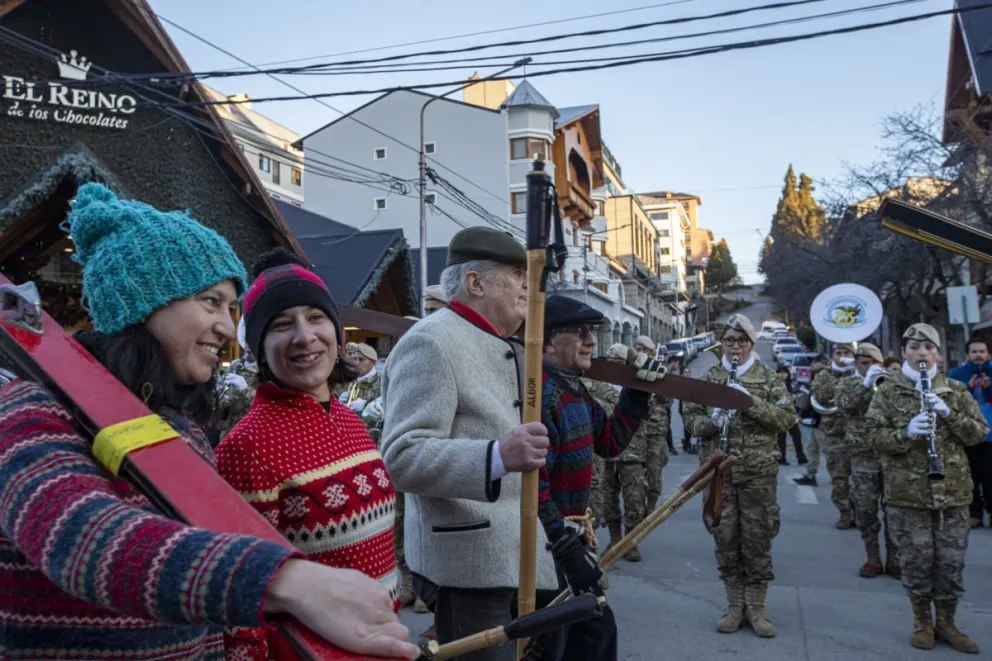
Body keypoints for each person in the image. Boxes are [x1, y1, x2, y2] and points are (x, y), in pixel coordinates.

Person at [0, 183, 419, 661]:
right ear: (143, 302)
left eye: (230, 306)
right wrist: (287, 579)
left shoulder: (180, 428)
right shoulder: (34, 410)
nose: (226, 325)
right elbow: (79, 536)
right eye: (209, 301)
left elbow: (207, 601)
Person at [379, 227, 554, 661]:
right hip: (470, 567)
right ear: (475, 283)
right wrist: (496, 455)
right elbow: (401, 457)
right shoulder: (431, 340)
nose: (527, 289)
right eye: (517, 276)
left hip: (523, 557)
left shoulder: (507, 344)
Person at [216, 260, 403, 659]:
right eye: (282, 324)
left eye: (316, 317)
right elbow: (239, 592)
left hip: (384, 641)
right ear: (258, 348)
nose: (305, 336)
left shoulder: (350, 419)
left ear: (336, 333)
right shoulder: (246, 447)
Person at [539, 296, 660, 661]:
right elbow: (533, 485)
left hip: (568, 542)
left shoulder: (573, 387)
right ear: (546, 342)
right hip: (546, 550)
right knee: (566, 641)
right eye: (580, 332)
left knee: (591, 634)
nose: (591, 340)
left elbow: (610, 442)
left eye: (592, 331)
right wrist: (562, 545)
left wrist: (637, 394)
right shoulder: (541, 395)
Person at [864, 324, 988, 654]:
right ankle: (922, 621)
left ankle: (946, 622)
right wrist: (906, 432)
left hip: (954, 492)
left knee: (950, 563)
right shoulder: (887, 390)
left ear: (938, 353)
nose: (923, 353)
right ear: (904, 351)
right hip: (908, 494)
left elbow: (978, 434)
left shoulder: (956, 389)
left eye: (929, 347)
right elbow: (873, 438)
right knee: (917, 562)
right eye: (916, 347)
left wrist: (948, 414)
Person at [684, 314, 796, 639]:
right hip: (718, 474)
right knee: (725, 539)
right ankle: (734, 606)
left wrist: (751, 402)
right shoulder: (709, 378)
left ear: (751, 344)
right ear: (722, 343)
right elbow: (692, 422)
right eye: (729, 340)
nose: (735, 346)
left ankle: (757, 608)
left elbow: (786, 419)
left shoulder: (769, 378)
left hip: (757, 475)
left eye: (742, 341)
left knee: (758, 540)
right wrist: (714, 421)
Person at [835, 343, 899, 579]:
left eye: (874, 364)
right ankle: (872, 556)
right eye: (864, 363)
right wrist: (864, 385)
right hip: (862, 455)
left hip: (890, 453)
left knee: (893, 509)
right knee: (865, 508)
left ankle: (894, 557)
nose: (870, 367)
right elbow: (845, 406)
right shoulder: (847, 383)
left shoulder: (891, 382)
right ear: (856, 364)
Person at [582, 343, 628, 540]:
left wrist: (590, 403)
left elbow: (616, 407)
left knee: (592, 515)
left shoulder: (596, 383)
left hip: (593, 455)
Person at [809, 343, 857, 528]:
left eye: (846, 353)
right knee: (839, 478)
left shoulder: (860, 373)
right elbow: (821, 395)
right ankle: (845, 513)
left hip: (860, 435)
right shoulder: (824, 374)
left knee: (860, 479)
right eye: (838, 353)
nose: (842, 356)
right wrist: (841, 377)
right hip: (835, 434)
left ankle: (860, 513)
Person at [948, 338, 992, 529]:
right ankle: (974, 513)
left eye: (982, 351)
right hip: (967, 432)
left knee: (990, 475)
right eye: (974, 352)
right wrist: (968, 387)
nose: (978, 355)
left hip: (990, 434)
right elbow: (950, 400)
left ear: (988, 354)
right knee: (971, 475)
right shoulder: (957, 374)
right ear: (967, 354)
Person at [214, 317, 259, 443]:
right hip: (227, 433)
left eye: (251, 345)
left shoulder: (266, 371)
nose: (247, 349)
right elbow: (221, 411)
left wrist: (245, 390)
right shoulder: (235, 366)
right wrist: (220, 398)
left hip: (250, 434)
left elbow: (264, 407)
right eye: (246, 344)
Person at [775, 365, 808, 466]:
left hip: (791, 416)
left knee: (797, 436)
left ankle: (801, 457)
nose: (782, 375)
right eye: (780, 372)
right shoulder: (774, 385)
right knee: (781, 438)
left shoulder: (792, 386)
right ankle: (781, 458)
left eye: (784, 373)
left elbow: (798, 400)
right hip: (780, 415)